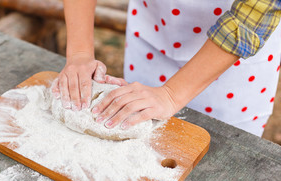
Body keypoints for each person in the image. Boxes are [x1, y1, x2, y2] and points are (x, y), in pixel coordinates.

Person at [52, 0, 281, 137]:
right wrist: (79, 52)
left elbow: (255, 12)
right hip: (154, 30)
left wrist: (171, 95)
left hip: (234, 61)